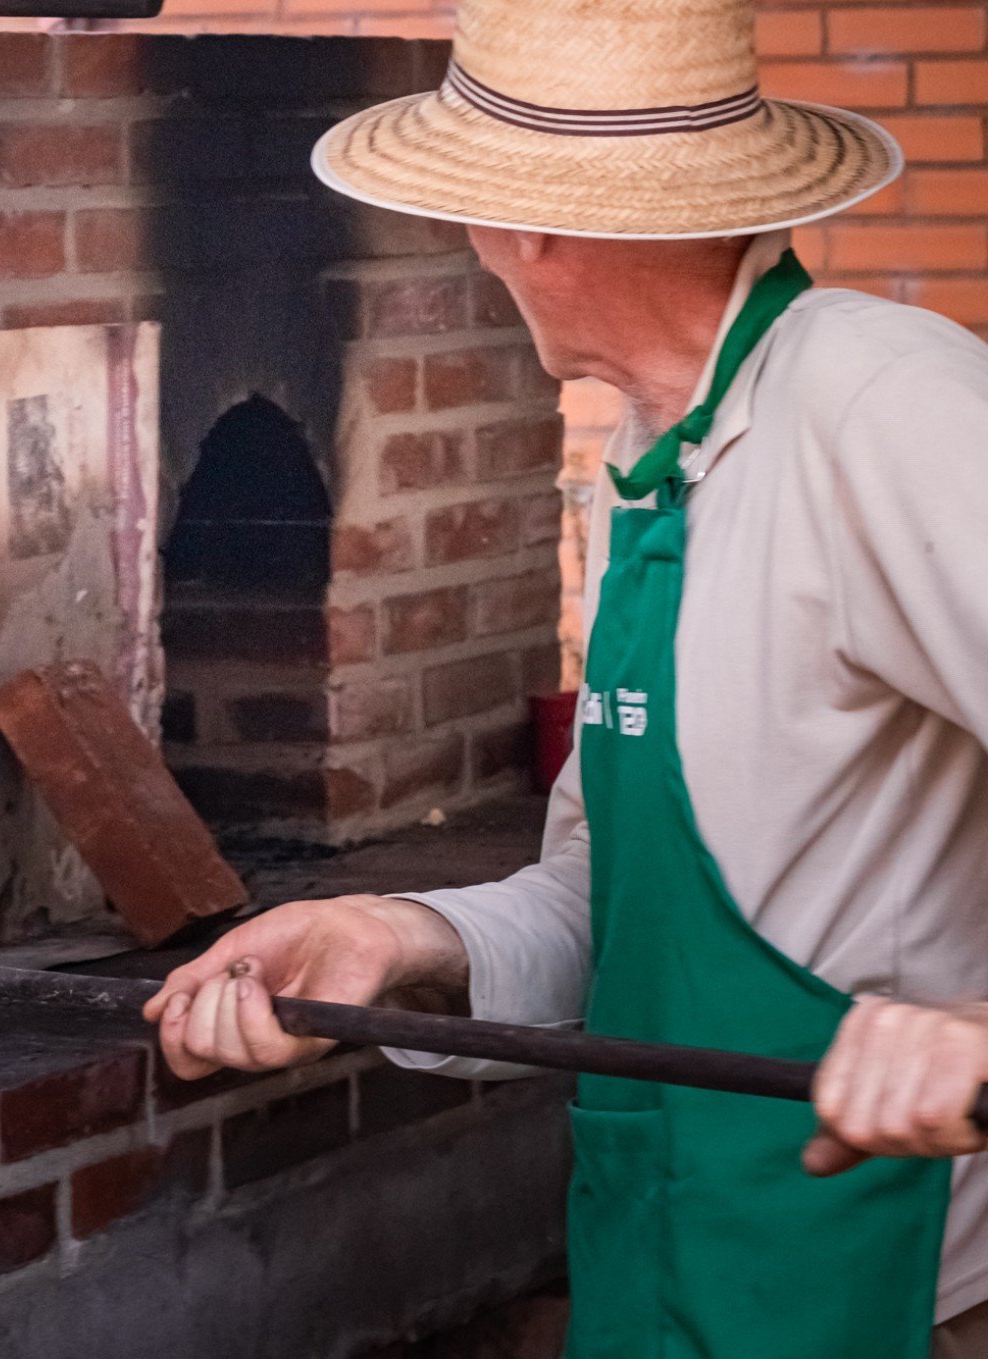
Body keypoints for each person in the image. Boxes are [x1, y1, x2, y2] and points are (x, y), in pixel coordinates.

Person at [142, 0, 988, 1355]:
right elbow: (618, 902)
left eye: (468, 217)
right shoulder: (658, 464)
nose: (476, 254)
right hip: (677, 1248)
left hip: (895, 1283)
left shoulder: (881, 404)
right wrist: (403, 938)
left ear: (526, 227)